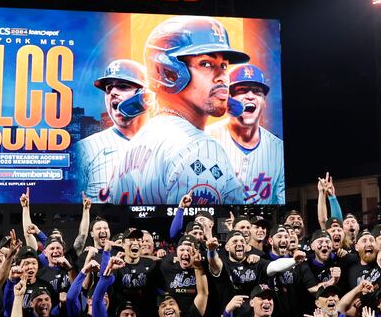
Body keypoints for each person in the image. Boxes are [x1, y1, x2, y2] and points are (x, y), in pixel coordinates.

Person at [108, 16, 252, 205]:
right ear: (168, 71)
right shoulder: (199, 147)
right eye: (206, 64)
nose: (223, 77)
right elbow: (195, 231)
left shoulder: (130, 149)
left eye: (223, 66)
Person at [207, 63, 285, 204]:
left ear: (264, 102)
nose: (250, 96)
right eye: (242, 90)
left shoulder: (279, 149)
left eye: (257, 91)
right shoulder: (205, 140)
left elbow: (281, 200)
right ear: (227, 99)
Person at [78, 59, 148, 202]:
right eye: (109, 89)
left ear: (146, 96)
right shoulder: (85, 148)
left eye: (123, 86)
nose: (113, 92)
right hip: (103, 223)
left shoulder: (169, 144)